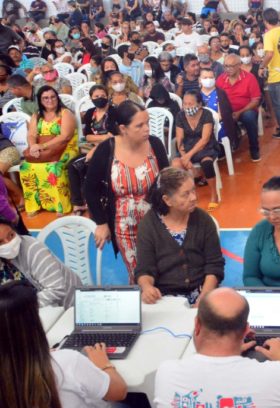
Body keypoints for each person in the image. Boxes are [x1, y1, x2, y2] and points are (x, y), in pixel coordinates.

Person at [0, 280, 136, 408]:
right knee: (128, 407)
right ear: (33, 324)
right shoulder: (66, 362)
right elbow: (119, 391)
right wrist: (104, 364)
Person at [85, 101, 170, 283]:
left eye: (147, 122)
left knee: (164, 270)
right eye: (139, 125)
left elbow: (168, 180)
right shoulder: (107, 149)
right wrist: (101, 222)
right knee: (139, 275)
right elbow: (89, 189)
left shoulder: (154, 144)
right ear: (123, 128)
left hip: (157, 220)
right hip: (124, 224)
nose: (147, 129)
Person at [136, 167, 223, 307]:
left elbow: (214, 265)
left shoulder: (203, 220)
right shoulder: (148, 226)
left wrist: (205, 296)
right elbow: (145, 269)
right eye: (186, 194)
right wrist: (147, 287)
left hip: (202, 291)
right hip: (165, 298)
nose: (194, 197)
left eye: (193, 190)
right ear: (167, 200)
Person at [19, 85, 78, 217]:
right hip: (42, 150)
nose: (49, 100)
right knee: (25, 167)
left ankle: (60, 205)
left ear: (57, 98)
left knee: (54, 168)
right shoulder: (37, 115)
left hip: (65, 148)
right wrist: (34, 146)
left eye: (52, 97)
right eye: (45, 98)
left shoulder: (65, 113)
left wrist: (42, 146)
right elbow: (31, 135)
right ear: (40, 100)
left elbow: (65, 137)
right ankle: (34, 204)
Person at [0, 217, 81, 307]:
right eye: (0, 242)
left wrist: (21, 307)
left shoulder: (32, 249)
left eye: (11, 235)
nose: (9, 243)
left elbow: (57, 289)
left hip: (68, 305)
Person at [68, 84, 118, 216]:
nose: (100, 98)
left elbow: (113, 136)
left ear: (108, 96)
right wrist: (103, 136)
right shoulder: (90, 113)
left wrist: (98, 142)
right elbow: (88, 136)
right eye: (96, 96)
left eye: (103, 95)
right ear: (91, 98)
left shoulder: (114, 112)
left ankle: (95, 202)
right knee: (73, 165)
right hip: (93, 147)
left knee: (91, 163)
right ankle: (78, 203)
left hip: (112, 148)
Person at [174, 90, 221, 209]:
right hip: (187, 147)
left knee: (207, 163)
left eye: (190, 104)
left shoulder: (206, 115)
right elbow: (179, 139)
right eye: (185, 104)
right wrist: (184, 156)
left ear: (199, 104)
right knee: (175, 164)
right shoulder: (180, 116)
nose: (187, 107)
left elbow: (204, 139)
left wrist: (188, 156)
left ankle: (214, 195)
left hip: (206, 147)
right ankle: (182, 196)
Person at [216, 53, 262, 163]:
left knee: (249, 117)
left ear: (239, 65)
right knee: (215, 118)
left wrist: (239, 112)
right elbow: (216, 97)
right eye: (225, 66)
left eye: (231, 66)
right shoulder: (221, 79)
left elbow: (255, 100)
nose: (228, 69)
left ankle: (254, 148)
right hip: (226, 111)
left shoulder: (249, 78)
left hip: (245, 109)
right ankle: (223, 147)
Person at [261, 8, 280, 140]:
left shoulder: (268, 35)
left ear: (265, 21)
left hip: (276, 74)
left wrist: (262, 66)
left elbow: (269, 54)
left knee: (277, 104)